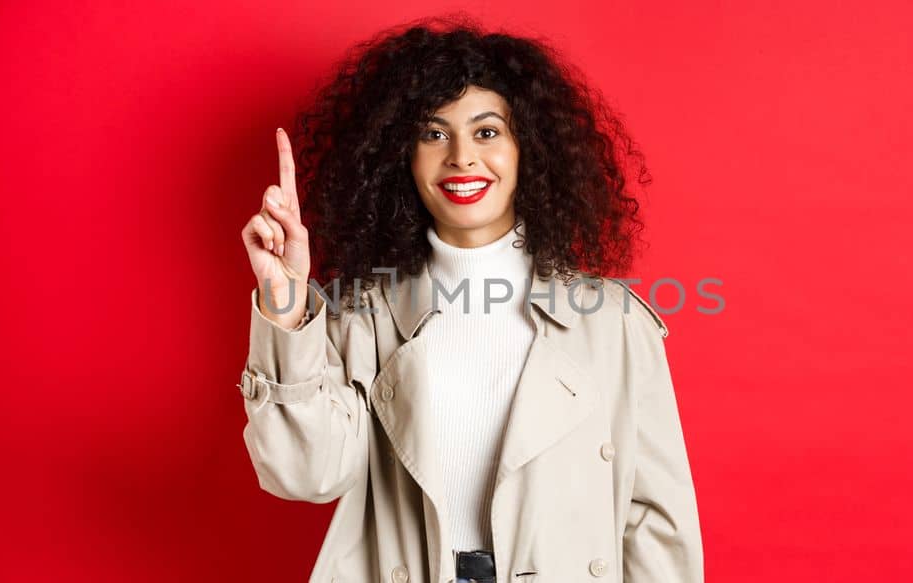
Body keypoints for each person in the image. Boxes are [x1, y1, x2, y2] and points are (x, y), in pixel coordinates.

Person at [237, 16, 703, 582]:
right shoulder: (363, 317)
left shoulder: (612, 322)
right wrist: (285, 302)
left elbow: (658, 523)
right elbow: (304, 475)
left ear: (527, 149)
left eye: (487, 132)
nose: (461, 156)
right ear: (400, 158)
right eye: (433, 133)